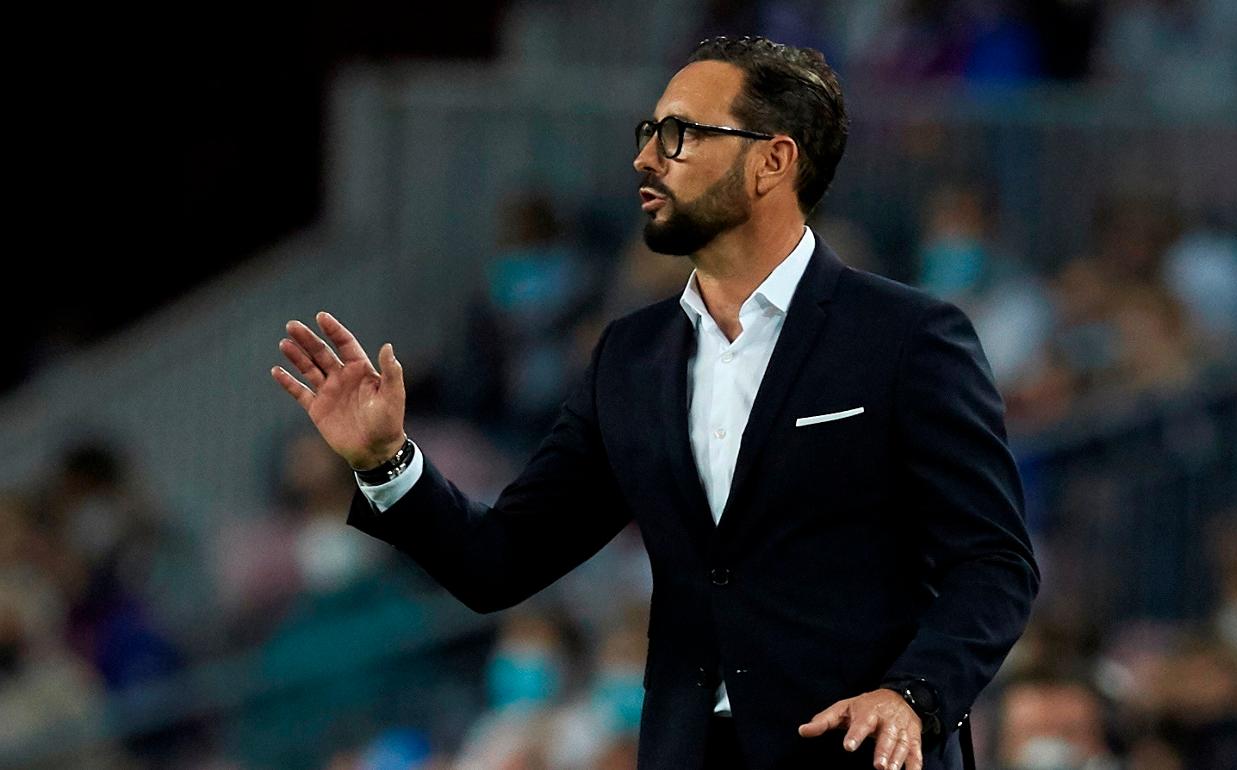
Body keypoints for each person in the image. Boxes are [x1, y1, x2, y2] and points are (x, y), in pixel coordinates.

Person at [271, 35, 1039, 770]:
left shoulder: (908, 337)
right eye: (649, 132)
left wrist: (916, 696)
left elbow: (995, 562)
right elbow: (498, 563)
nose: (646, 157)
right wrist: (384, 462)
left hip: (858, 753)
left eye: (681, 134)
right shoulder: (629, 357)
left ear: (773, 160)